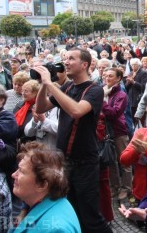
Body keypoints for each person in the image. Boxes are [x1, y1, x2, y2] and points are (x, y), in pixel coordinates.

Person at [35, 48, 111, 232]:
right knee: (71, 209)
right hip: (64, 159)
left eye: (71, 58)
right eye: (65, 58)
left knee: (90, 215)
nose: (66, 62)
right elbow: (40, 107)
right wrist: (45, 83)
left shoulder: (95, 89)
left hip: (85, 162)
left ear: (84, 65)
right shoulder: (67, 87)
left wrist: (50, 84)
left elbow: (76, 110)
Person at [11, 142, 81, 232]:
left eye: (22, 171)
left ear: (42, 185)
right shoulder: (39, 204)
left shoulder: (57, 229)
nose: (13, 175)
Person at [101, 67, 131, 201]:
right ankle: (114, 186)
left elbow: (114, 113)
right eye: (106, 75)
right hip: (105, 130)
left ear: (118, 78)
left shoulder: (121, 94)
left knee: (124, 160)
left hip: (118, 130)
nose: (107, 78)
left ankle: (126, 188)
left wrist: (101, 102)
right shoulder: (102, 91)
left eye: (110, 76)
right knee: (110, 160)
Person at [14, 80, 40, 144]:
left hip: (30, 144)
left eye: (26, 91)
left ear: (35, 93)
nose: (23, 93)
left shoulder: (39, 108)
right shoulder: (20, 105)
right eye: (22, 91)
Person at [125, 58, 147, 123]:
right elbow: (126, 87)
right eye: (132, 65)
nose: (133, 66)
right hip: (130, 99)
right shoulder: (130, 73)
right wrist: (128, 82)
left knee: (140, 118)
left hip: (138, 98)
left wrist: (134, 82)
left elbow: (143, 87)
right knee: (132, 117)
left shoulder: (143, 73)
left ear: (138, 65)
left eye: (135, 64)